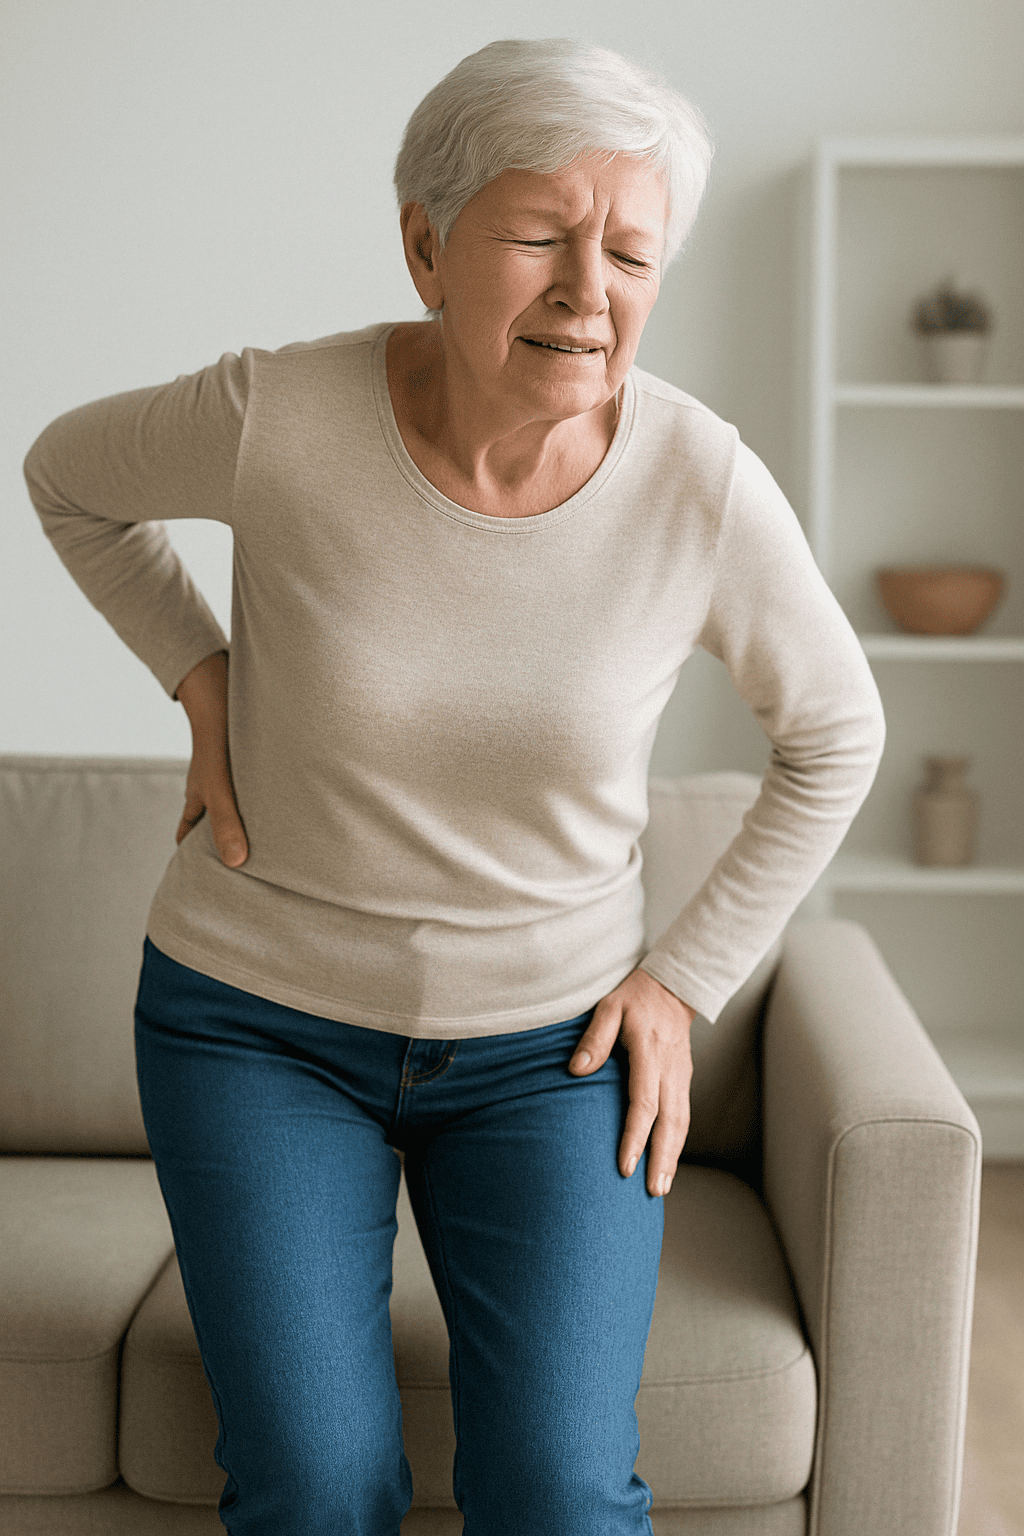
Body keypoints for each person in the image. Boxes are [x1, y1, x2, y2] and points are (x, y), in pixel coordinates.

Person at [23, 37, 885, 1536]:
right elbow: (67, 478)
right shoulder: (281, 417)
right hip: (254, 1029)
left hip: (551, 1052)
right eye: (541, 236)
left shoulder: (698, 483)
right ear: (425, 246)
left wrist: (683, 983)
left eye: (631, 253)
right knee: (315, 1491)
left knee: (559, 1496)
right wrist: (201, 673)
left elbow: (837, 733)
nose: (589, 292)